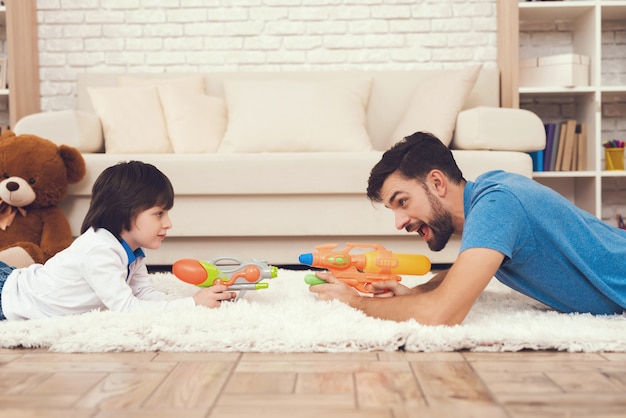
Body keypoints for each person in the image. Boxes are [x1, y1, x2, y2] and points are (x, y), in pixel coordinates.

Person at [309, 132, 626, 325]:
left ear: (436, 182)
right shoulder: (491, 192)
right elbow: (470, 265)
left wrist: (358, 303)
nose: (400, 223)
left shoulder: (497, 207)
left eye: (402, 202)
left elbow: (441, 315)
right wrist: (418, 292)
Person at [0, 161, 235, 321]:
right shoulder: (99, 250)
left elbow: (143, 294)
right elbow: (127, 309)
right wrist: (192, 304)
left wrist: (196, 301)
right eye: (158, 214)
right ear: (125, 212)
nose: (168, 223)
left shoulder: (132, 250)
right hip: (8, 297)